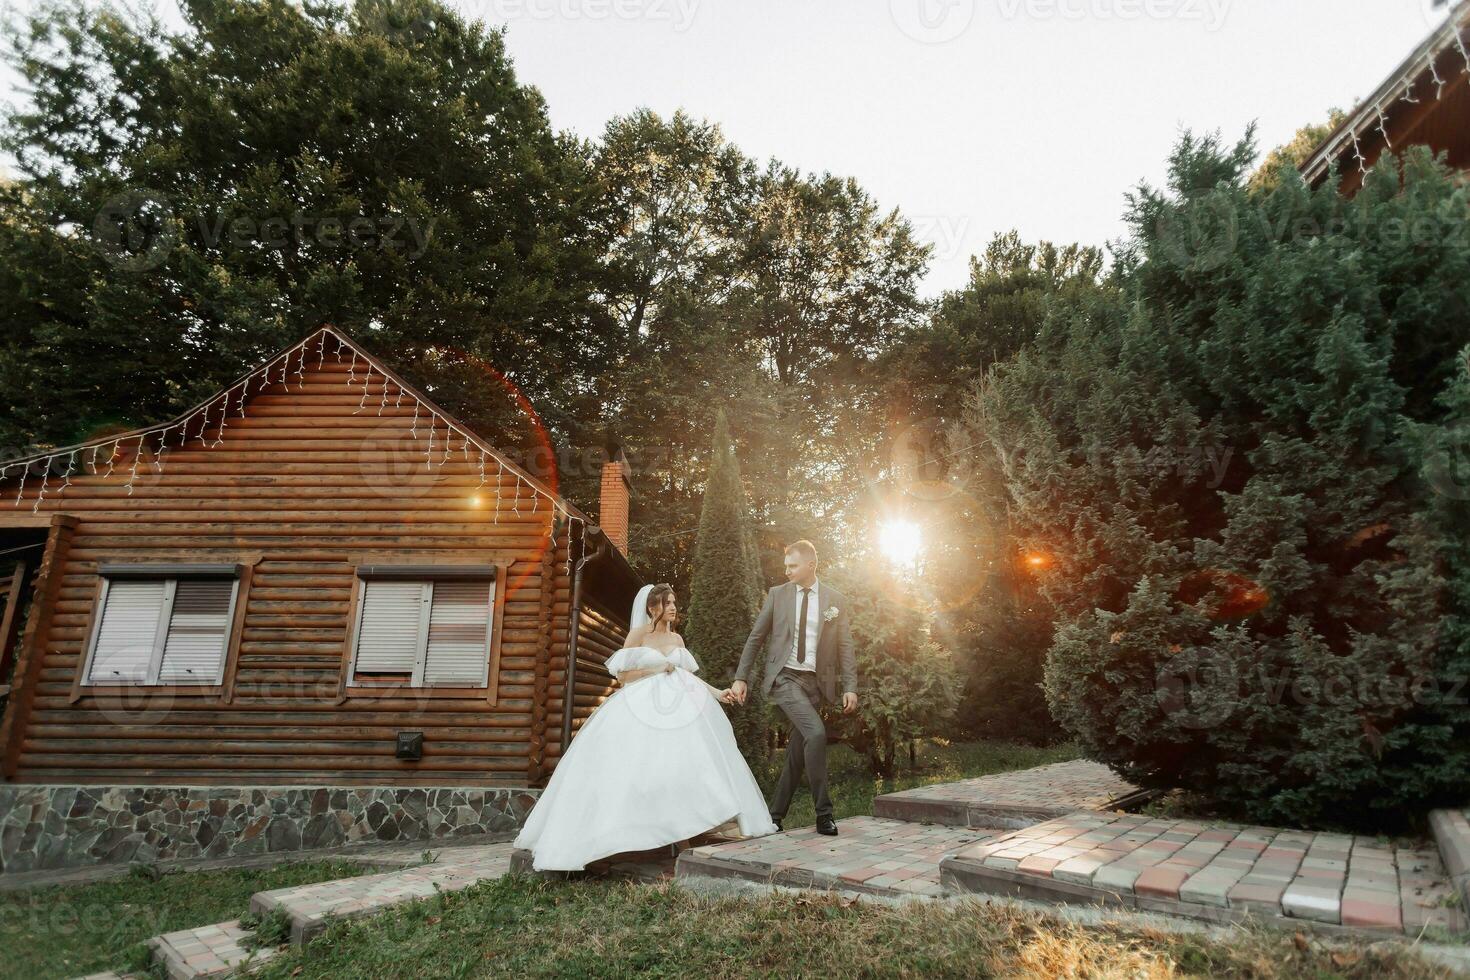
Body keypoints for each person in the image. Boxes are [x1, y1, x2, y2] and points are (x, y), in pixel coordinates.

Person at [513, 583, 777, 871]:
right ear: (652, 608)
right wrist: (656, 669)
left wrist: (718, 693)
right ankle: (630, 833)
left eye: (674, 602)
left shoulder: (677, 639)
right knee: (641, 767)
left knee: (681, 767)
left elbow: (688, 678)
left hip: (681, 711)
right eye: (667, 603)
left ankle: (684, 829)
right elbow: (624, 676)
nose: (673, 607)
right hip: (642, 707)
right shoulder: (638, 635)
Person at [728, 540, 858, 836]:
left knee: (797, 754)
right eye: (786, 566)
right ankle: (824, 814)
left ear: (811, 565)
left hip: (814, 684)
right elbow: (756, 637)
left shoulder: (835, 601)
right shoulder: (777, 595)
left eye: (793, 566)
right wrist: (741, 677)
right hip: (785, 678)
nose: (786, 571)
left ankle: (774, 817)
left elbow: (845, 646)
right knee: (816, 733)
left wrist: (851, 686)